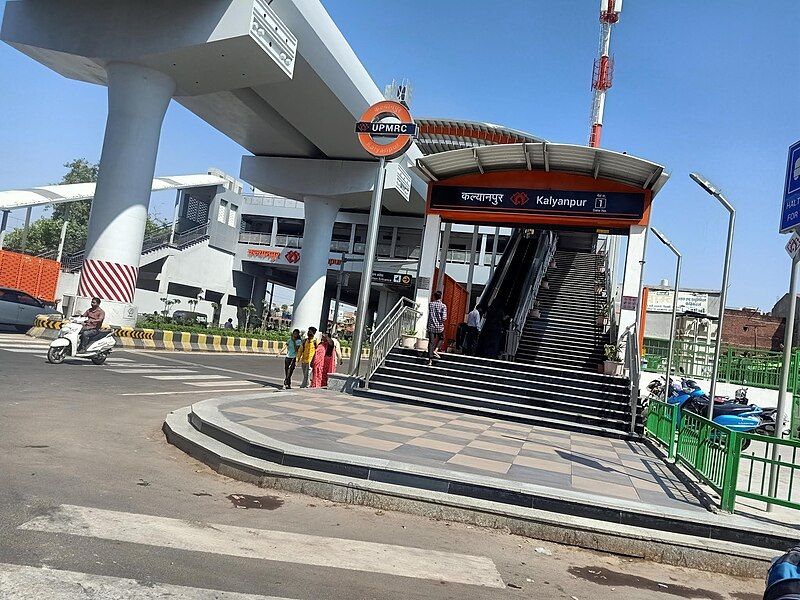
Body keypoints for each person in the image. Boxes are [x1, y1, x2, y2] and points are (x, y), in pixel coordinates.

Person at [426, 290, 448, 365]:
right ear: (441, 297)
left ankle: (430, 361)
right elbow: (444, 318)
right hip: (439, 326)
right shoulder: (443, 306)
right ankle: (436, 350)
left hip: (431, 326)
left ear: (434, 297)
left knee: (431, 342)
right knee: (441, 338)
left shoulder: (430, 304)